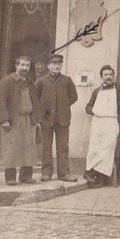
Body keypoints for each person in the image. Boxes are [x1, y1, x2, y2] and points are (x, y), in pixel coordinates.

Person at [32, 53, 79, 182]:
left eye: (58, 64)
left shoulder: (67, 80)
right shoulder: (41, 81)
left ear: (61, 65)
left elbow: (74, 97)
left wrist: (63, 106)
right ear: (48, 66)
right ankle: (46, 173)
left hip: (63, 119)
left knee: (63, 147)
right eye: (53, 64)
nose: (56, 66)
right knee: (46, 147)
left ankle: (64, 174)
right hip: (46, 119)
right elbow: (35, 98)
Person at [0, 55, 39, 185]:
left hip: (29, 120)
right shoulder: (7, 81)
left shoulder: (30, 82)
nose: (25, 68)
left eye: (27, 65)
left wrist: (36, 119)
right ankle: (10, 178)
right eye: (22, 65)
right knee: (11, 148)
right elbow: (0, 102)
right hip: (13, 120)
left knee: (29, 148)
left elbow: (35, 101)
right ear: (16, 66)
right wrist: (4, 120)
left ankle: (25, 177)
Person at [84, 65, 120, 187]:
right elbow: (88, 107)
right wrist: (95, 111)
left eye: (110, 74)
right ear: (101, 77)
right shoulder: (96, 91)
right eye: (106, 75)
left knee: (107, 149)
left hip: (112, 122)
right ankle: (90, 173)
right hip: (98, 122)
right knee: (95, 147)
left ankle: (101, 178)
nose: (108, 77)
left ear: (114, 76)